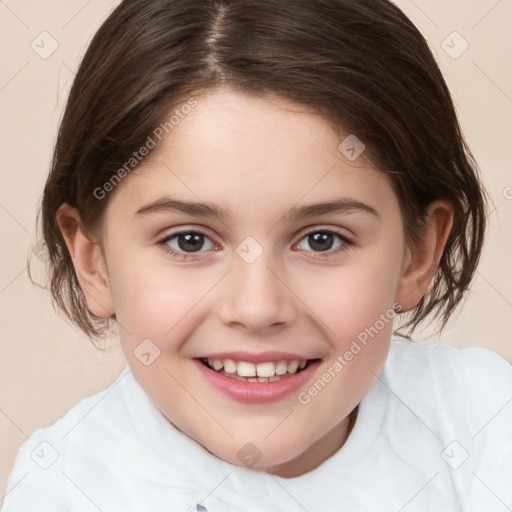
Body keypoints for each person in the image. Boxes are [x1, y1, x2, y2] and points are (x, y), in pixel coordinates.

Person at [3, 0, 511, 510]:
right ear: (94, 264)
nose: (257, 308)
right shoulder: (64, 489)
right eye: (189, 240)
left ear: (416, 254)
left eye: (321, 240)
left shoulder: (484, 421)